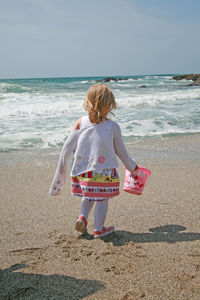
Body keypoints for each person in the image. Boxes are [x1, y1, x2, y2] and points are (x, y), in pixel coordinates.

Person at [49, 84, 138, 238]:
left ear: (87, 102)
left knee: (89, 196)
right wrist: (132, 167)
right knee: (102, 199)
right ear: (110, 105)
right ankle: (99, 228)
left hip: (83, 171)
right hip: (105, 172)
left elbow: (66, 149)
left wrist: (60, 176)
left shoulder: (81, 122)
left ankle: (82, 217)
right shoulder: (113, 127)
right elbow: (121, 151)